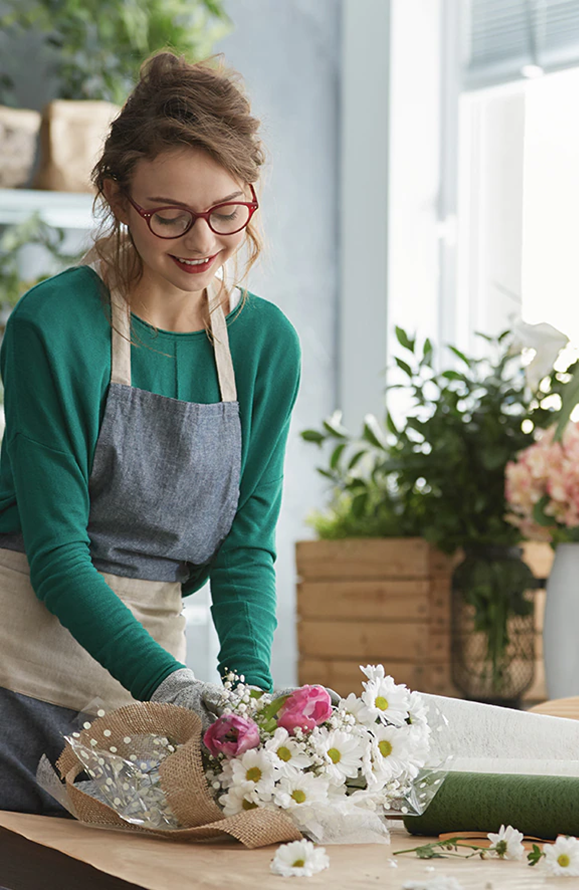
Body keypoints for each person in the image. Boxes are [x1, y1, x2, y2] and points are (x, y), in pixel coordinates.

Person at [0, 51, 302, 815]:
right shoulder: (55, 326)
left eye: (227, 211)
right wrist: (172, 686)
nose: (202, 241)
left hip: (143, 695)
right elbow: (59, 559)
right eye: (169, 215)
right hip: (12, 678)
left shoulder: (265, 346)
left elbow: (245, 550)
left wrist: (246, 706)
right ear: (118, 198)